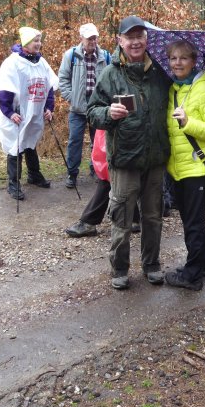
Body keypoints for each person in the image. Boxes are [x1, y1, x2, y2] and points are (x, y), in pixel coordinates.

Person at [87, 15, 172, 290]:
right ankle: (119, 268)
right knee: (121, 217)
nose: (135, 42)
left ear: (147, 40)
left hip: (156, 157)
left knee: (152, 216)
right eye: (130, 37)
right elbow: (92, 112)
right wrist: (108, 113)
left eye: (140, 36)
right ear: (120, 41)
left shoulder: (161, 71)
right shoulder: (110, 74)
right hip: (124, 158)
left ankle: (152, 264)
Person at [163, 40, 205, 291]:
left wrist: (189, 123)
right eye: (173, 58)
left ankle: (192, 275)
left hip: (197, 168)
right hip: (178, 167)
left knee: (193, 224)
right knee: (194, 221)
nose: (177, 63)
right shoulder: (174, 89)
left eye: (183, 58)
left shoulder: (204, 88)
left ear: (193, 60)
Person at [0, 26, 56, 200]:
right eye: (35, 41)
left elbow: (48, 88)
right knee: (16, 147)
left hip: (34, 112)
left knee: (30, 143)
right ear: (26, 42)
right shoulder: (13, 63)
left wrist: (49, 108)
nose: (38, 44)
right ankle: (13, 184)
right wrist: (9, 113)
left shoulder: (41, 62)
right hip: (16, 113)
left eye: (40, 40)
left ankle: (34, 175)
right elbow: (4, 91)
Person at [58, 23, 111, 189]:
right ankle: (72, 173)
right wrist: (72, 98)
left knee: (99, 141)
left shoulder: (106, 56)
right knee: (75, 140)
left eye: (95, 37)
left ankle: (96, 169)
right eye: (89, 38)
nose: (93, 41)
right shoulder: (71, 55)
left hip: (98, 107)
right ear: (81, 38)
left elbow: (111, 79)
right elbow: (63, 79)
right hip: (78, 107)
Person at [63, 129, 141, 237]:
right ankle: (133, 218)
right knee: (114, 176)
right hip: (123, 133)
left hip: (127, 135)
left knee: (109, 178)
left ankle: (89, 221)